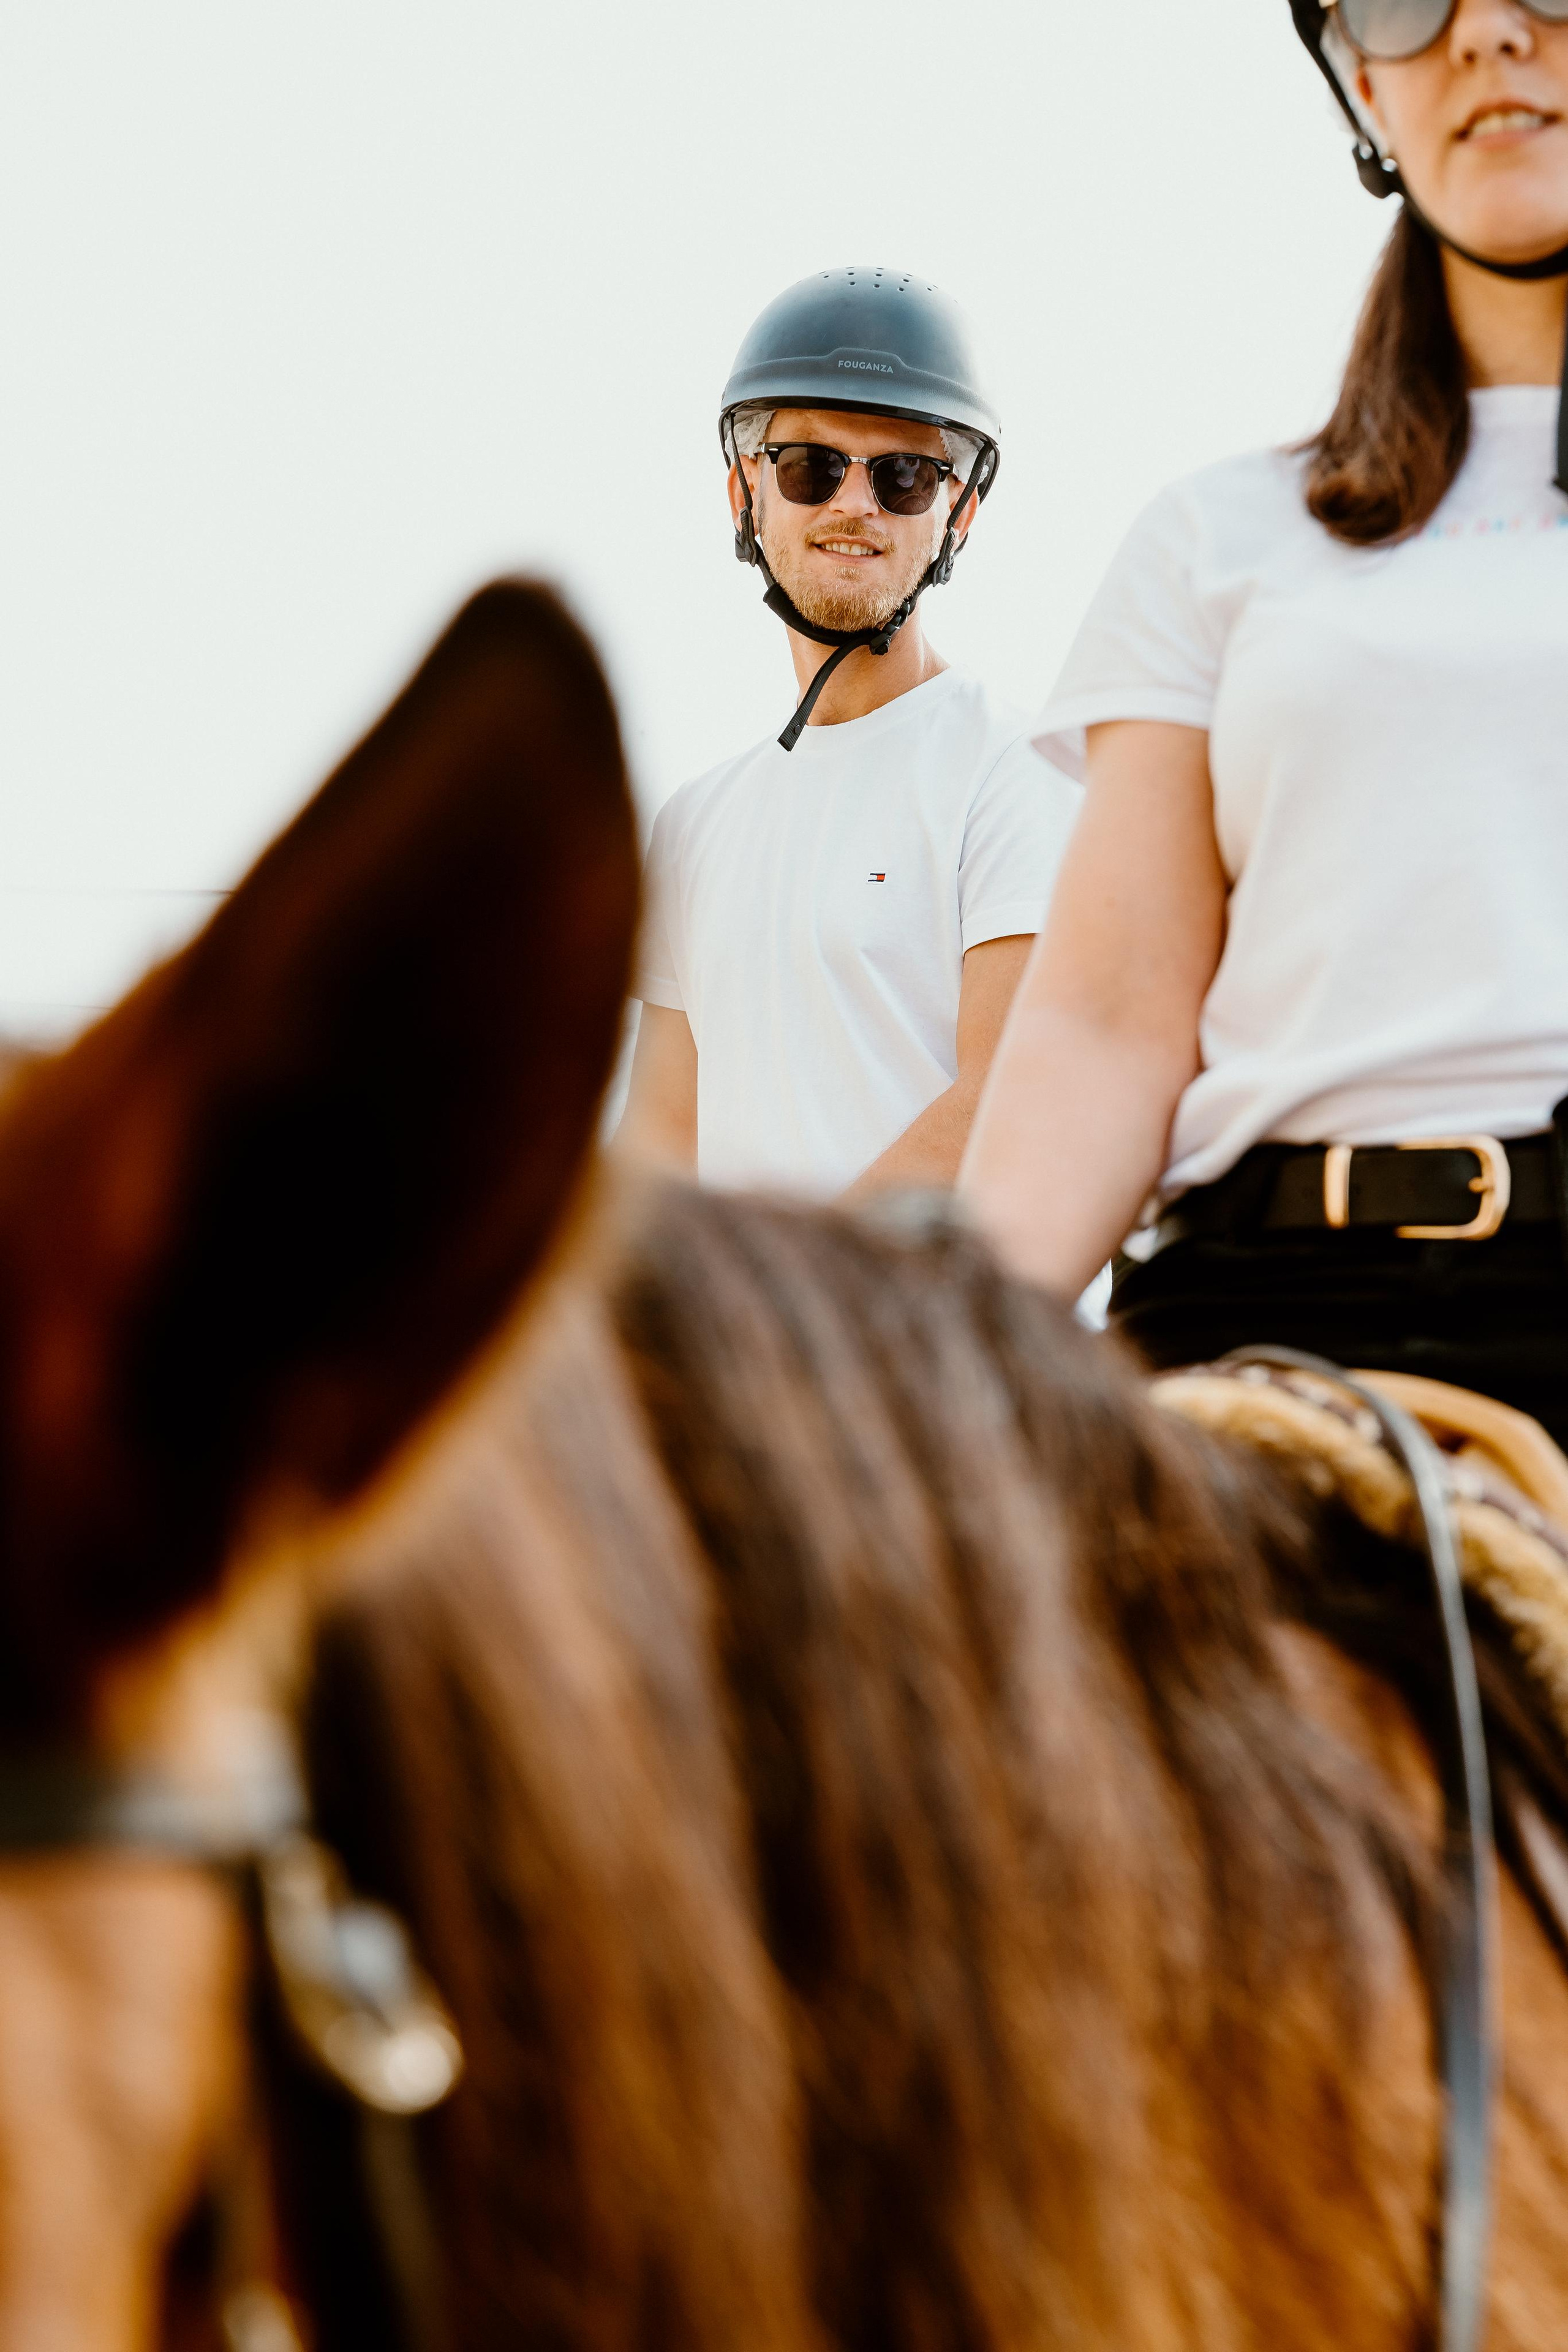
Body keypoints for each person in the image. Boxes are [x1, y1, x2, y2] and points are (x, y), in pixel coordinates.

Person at [962, 0, 1568, 1441]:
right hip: (1260, 1325)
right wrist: (930, 1360)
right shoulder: (1212, 538)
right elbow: (1107, 1022)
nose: (1483, 33)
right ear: (1359, 80)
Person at [619, 268, 1079, 1198]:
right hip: (751, 1341)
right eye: (811, 467)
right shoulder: (695, 826)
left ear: (960, 512)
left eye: (905, 476)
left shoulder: (1017, 773)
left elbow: (1015, 1099)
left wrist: (802, 1322)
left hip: (936, 1341)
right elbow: (659, 1150)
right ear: (746, 490)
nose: (855, 505)